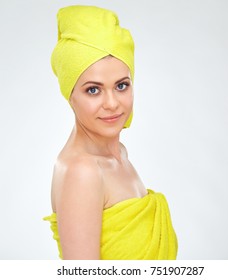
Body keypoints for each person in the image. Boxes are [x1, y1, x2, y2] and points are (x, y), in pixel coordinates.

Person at [44, 5, 178, 260]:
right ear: (69, 94)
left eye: (121, 85)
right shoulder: (82, 171)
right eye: (93, 90)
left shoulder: (119, 155)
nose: (112, 103)